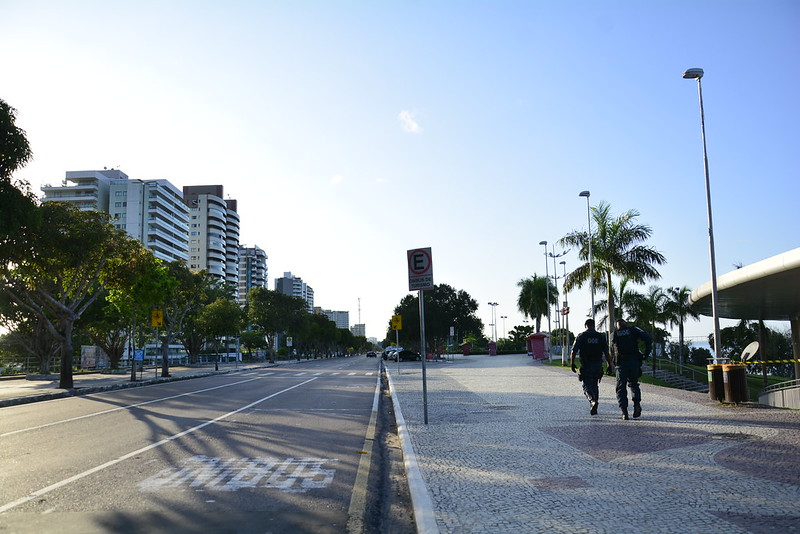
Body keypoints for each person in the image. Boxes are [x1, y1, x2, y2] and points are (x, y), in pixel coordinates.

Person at [611, 318, 652, 420]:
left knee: (621, 387)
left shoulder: (615, 334)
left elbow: (612, 348)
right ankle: (637, 404)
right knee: (634, 384)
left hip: (621, 363)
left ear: (617, 326)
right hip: (634, 362)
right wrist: (646, 354)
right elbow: (647, 338)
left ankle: (624, 412)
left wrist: (612, 363)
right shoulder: (633, 330)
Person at [570, 319, 612, 416]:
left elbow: (573, 351)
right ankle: (594, 406)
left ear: (586, 325)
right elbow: (606, 352)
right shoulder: (601, 337)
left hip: (586, 365)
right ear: (594, 325)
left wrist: (572, 364)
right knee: (595, 385)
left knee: (587, 386)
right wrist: (609, 365)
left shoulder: (581, 336)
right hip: (597, 365)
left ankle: (592, 401)